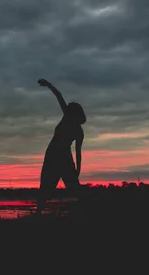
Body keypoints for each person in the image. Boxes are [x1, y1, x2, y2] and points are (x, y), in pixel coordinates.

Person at [35, 78, 86, 214]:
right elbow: (59, 96)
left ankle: (83, 212)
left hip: (62, 156)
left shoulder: (76, 128)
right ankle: (38, 213)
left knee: (73, 187)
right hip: (53, 155)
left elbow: (78, 152)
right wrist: (49, 85)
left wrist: (78, 171)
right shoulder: (67, 118)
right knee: (46, 185)